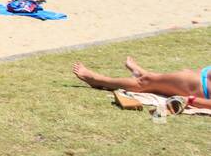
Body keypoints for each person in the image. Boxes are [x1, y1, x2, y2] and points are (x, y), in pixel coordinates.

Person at [72, 56, 211, 110]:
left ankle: (97, 80)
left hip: (200, 87)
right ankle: (142, 73)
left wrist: (191, 100)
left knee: (145, 83)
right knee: (161, 81)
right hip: (204, 76)